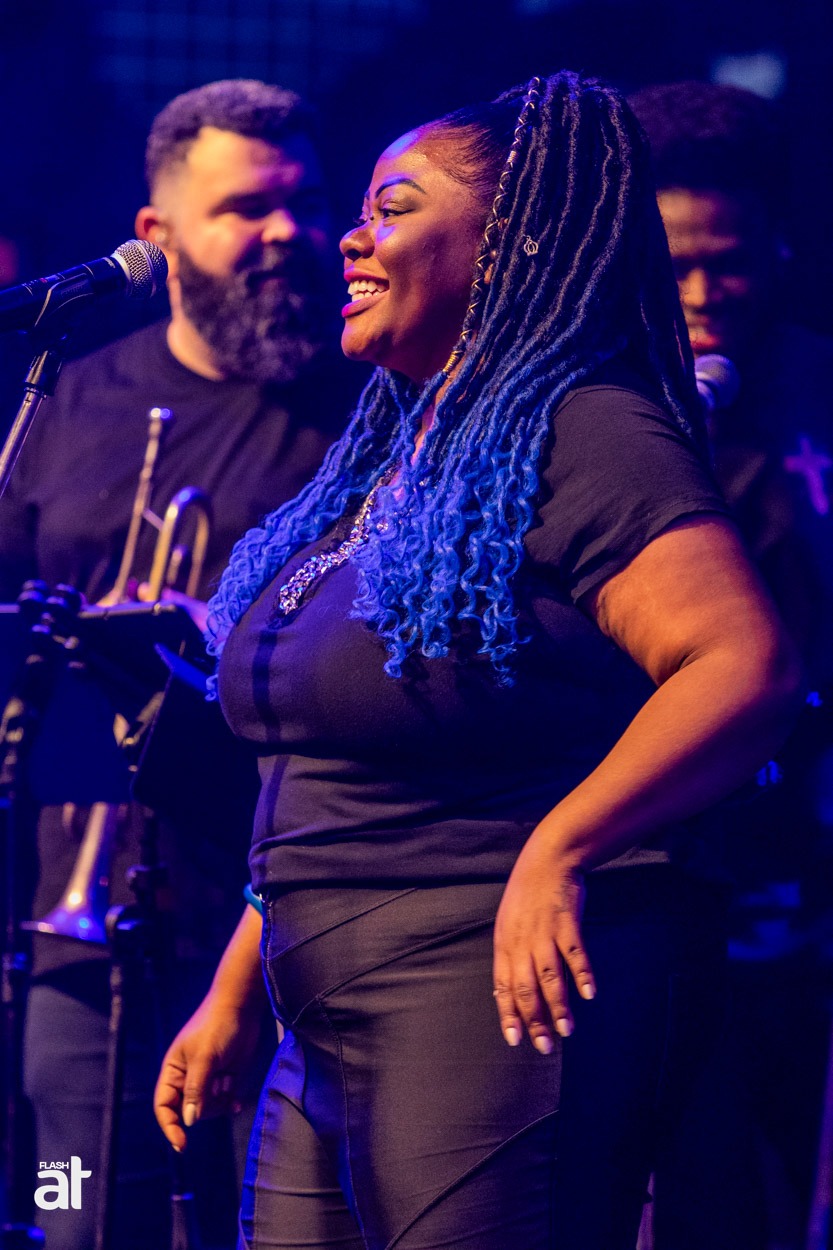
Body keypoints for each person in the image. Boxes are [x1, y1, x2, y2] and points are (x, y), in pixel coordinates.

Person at [154, 72, 801, 1250]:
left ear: (506, 249)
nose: (351, 238)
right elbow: (337, 782)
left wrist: (563, 843)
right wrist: (238, 987)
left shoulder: (586, 429)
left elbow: (740, 663)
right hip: (317, 1007)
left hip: (481, 993)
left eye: (393, 208)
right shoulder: (388, 462)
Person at [0, 79, 357, 1250]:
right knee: (69, 1207)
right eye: (246, 208)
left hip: (284, 918)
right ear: (156, 234)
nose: (287, 233)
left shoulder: (368, 408)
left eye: (306, 203)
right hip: (81, 914)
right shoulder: (68, 396)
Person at [629, 80, 833, 1250]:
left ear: (779, 250)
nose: (704, 298)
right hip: (659, 884)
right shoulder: (595, 411)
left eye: (732, 264)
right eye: (677, 268)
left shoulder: (814, 386)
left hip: (806, 885)